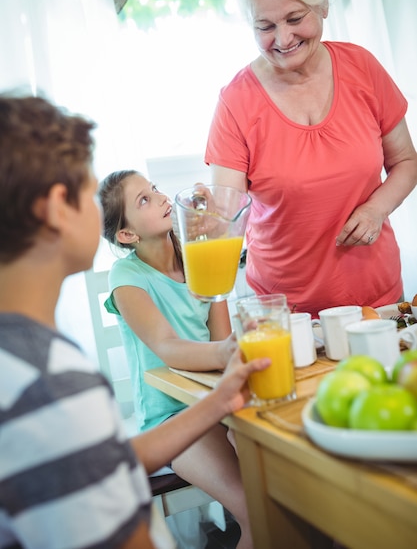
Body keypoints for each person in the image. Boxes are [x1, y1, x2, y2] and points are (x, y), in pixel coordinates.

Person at [0, 94, 270, 549]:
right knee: (263, 512)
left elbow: (103, 462)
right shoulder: (53, 389)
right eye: (87, 194)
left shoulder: (30, 364)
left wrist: (220, 400)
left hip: (205, 403)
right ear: (56, 208)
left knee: (273, 492)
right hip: (170, 412)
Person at [205, 0, 417, 318]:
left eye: (295, 18)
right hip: (285, 311)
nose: (283, 39)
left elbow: (405, 161)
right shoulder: (236, 101)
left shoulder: (362, 68)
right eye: (265, 26)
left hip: (378, 299)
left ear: (323, 7)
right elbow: (227, 211)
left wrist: (375, 210)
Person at [99, 170, 254, 549]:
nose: (160, 196)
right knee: (255, 509)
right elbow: (167, 346)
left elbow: (220, 344)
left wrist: (218, 244)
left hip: (217, 405)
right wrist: (227, 350)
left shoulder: (195, 259)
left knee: (287, 496)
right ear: (127, 235)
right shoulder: (126, 276)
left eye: (154, 188)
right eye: (143, 200)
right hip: (172, 419)